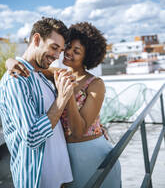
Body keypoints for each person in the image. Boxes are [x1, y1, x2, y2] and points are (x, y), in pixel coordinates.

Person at [6, 22, 122, 187]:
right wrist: (9, 62)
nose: (67, 53)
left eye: (76, 51)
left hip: (91, 152)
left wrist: (67, 95)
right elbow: (29, 66)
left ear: (87, 57)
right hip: (66, 156)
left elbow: (79, 131)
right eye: (67, 47)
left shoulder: (95, 84)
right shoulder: (58, 74)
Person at [0, 17, 78, 188]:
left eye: (61, 51)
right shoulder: (16, 79)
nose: (57, 56)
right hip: (37, 180)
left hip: (60, 176)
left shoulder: (41, 75)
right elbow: (32, 137)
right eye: (54, 47)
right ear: (36, 39)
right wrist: (62, 99)